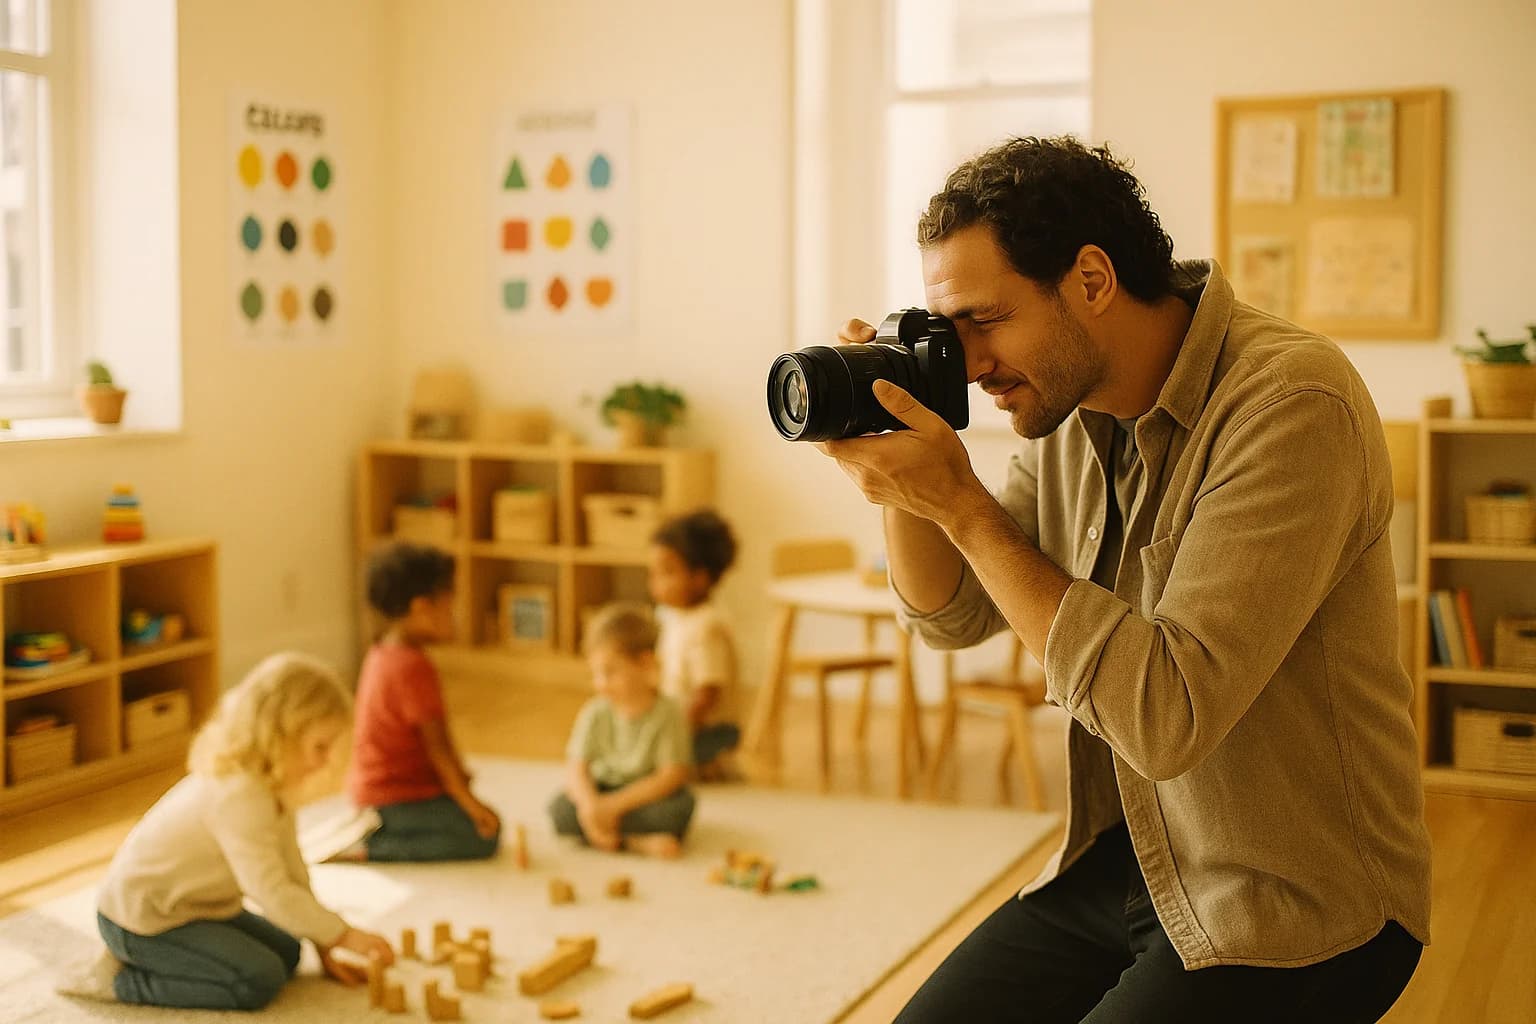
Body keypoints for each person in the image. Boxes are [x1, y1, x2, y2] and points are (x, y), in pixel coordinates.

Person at [817, 135, 1430, 1023]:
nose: (973, 362)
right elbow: (949, 618)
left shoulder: (1291, 403)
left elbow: (1165, 717)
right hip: (1130, 852)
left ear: (1092, 281)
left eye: (986, 321)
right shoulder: (1069, 406)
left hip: (1296, 895)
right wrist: (896, 468)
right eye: (949, 332)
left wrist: (960, 506)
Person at [78, 653, 394, 1009]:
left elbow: (292, 872)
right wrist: (345, 934)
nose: (323, 761)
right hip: (143, 920)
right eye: (319, 747)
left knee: (289, 950)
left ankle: (165, 960)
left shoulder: (271, 785)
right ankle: (120, 981)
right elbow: (271, 892)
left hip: (199, 907)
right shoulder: (239, 795)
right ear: (283, 733)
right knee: (257, 979)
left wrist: (326, 942)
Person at [345, 541, 500, 862]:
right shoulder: (412, 666)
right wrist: (470, 803)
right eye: (449, 605)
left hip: (379, 792)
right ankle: (371, 848)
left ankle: (374, 831)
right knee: (482, 836)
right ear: (421, 608)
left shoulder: (381, 652)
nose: (454, 615)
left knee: (468, 819)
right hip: (393, 799)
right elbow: (438, 747)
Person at [549, 602, 695, 858]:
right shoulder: (595, 712)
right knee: (560, 811)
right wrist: (590, 806)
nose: (600, 683)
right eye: (595, 674)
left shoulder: (668, 713)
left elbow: (671, 776)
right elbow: (576, 767)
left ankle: (607, 835)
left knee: (679, 809)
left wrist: (613, 807)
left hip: (644, 796)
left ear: (645, 664)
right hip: (604, 788)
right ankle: (634, 843)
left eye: (610, 672)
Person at [648, 509, 742, 776]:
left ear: (699, 578)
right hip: (678, 718)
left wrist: (678, 733)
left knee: (653, 758)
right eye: (652, 573)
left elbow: (707, 693)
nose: (655, 583)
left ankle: (709, 765)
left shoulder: (708, 626)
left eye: (666, 572)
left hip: (708, 728)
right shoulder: (671, 616)